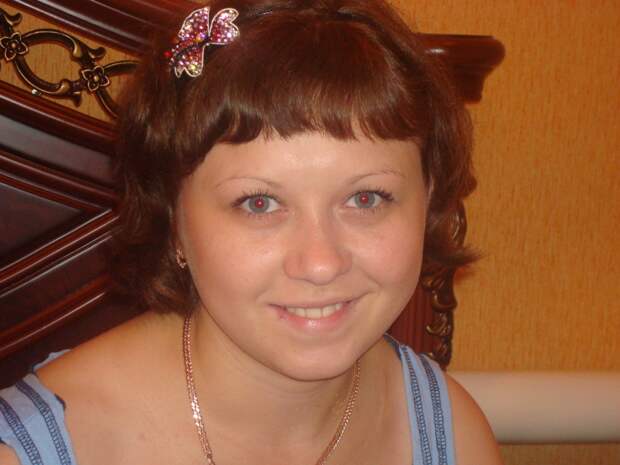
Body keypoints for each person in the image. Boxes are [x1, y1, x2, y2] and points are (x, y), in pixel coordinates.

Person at [0, 1, 503, 464]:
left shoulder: (452, 437)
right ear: (173, 219)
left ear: (427, 199)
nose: (321, 263)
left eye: (366, 198)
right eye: (259, 203)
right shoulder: (30, 451)